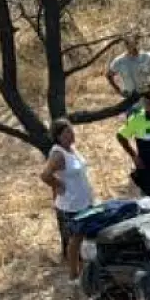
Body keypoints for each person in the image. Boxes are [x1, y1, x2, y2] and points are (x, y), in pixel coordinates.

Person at [40, 118, 95, 283]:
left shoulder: (72, 149)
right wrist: (58, 186)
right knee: (75, 240)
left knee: (84, 237)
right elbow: (45, 175)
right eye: (66, 132)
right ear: (58, 136)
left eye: (71, 130)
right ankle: (73, 275)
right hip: (71, 204)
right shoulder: (58, 154)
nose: (71, 134)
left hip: (84, 200)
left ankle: (85, 270)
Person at [105, 32, 150, 117]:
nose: (129, 45)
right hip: (131, 102)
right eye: (126, 43)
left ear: (137, 42)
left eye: (132, 42)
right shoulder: (119, 61)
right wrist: (119, 91)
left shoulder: (148, 57)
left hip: (149, 103)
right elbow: (109, 75)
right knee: (133, 128)